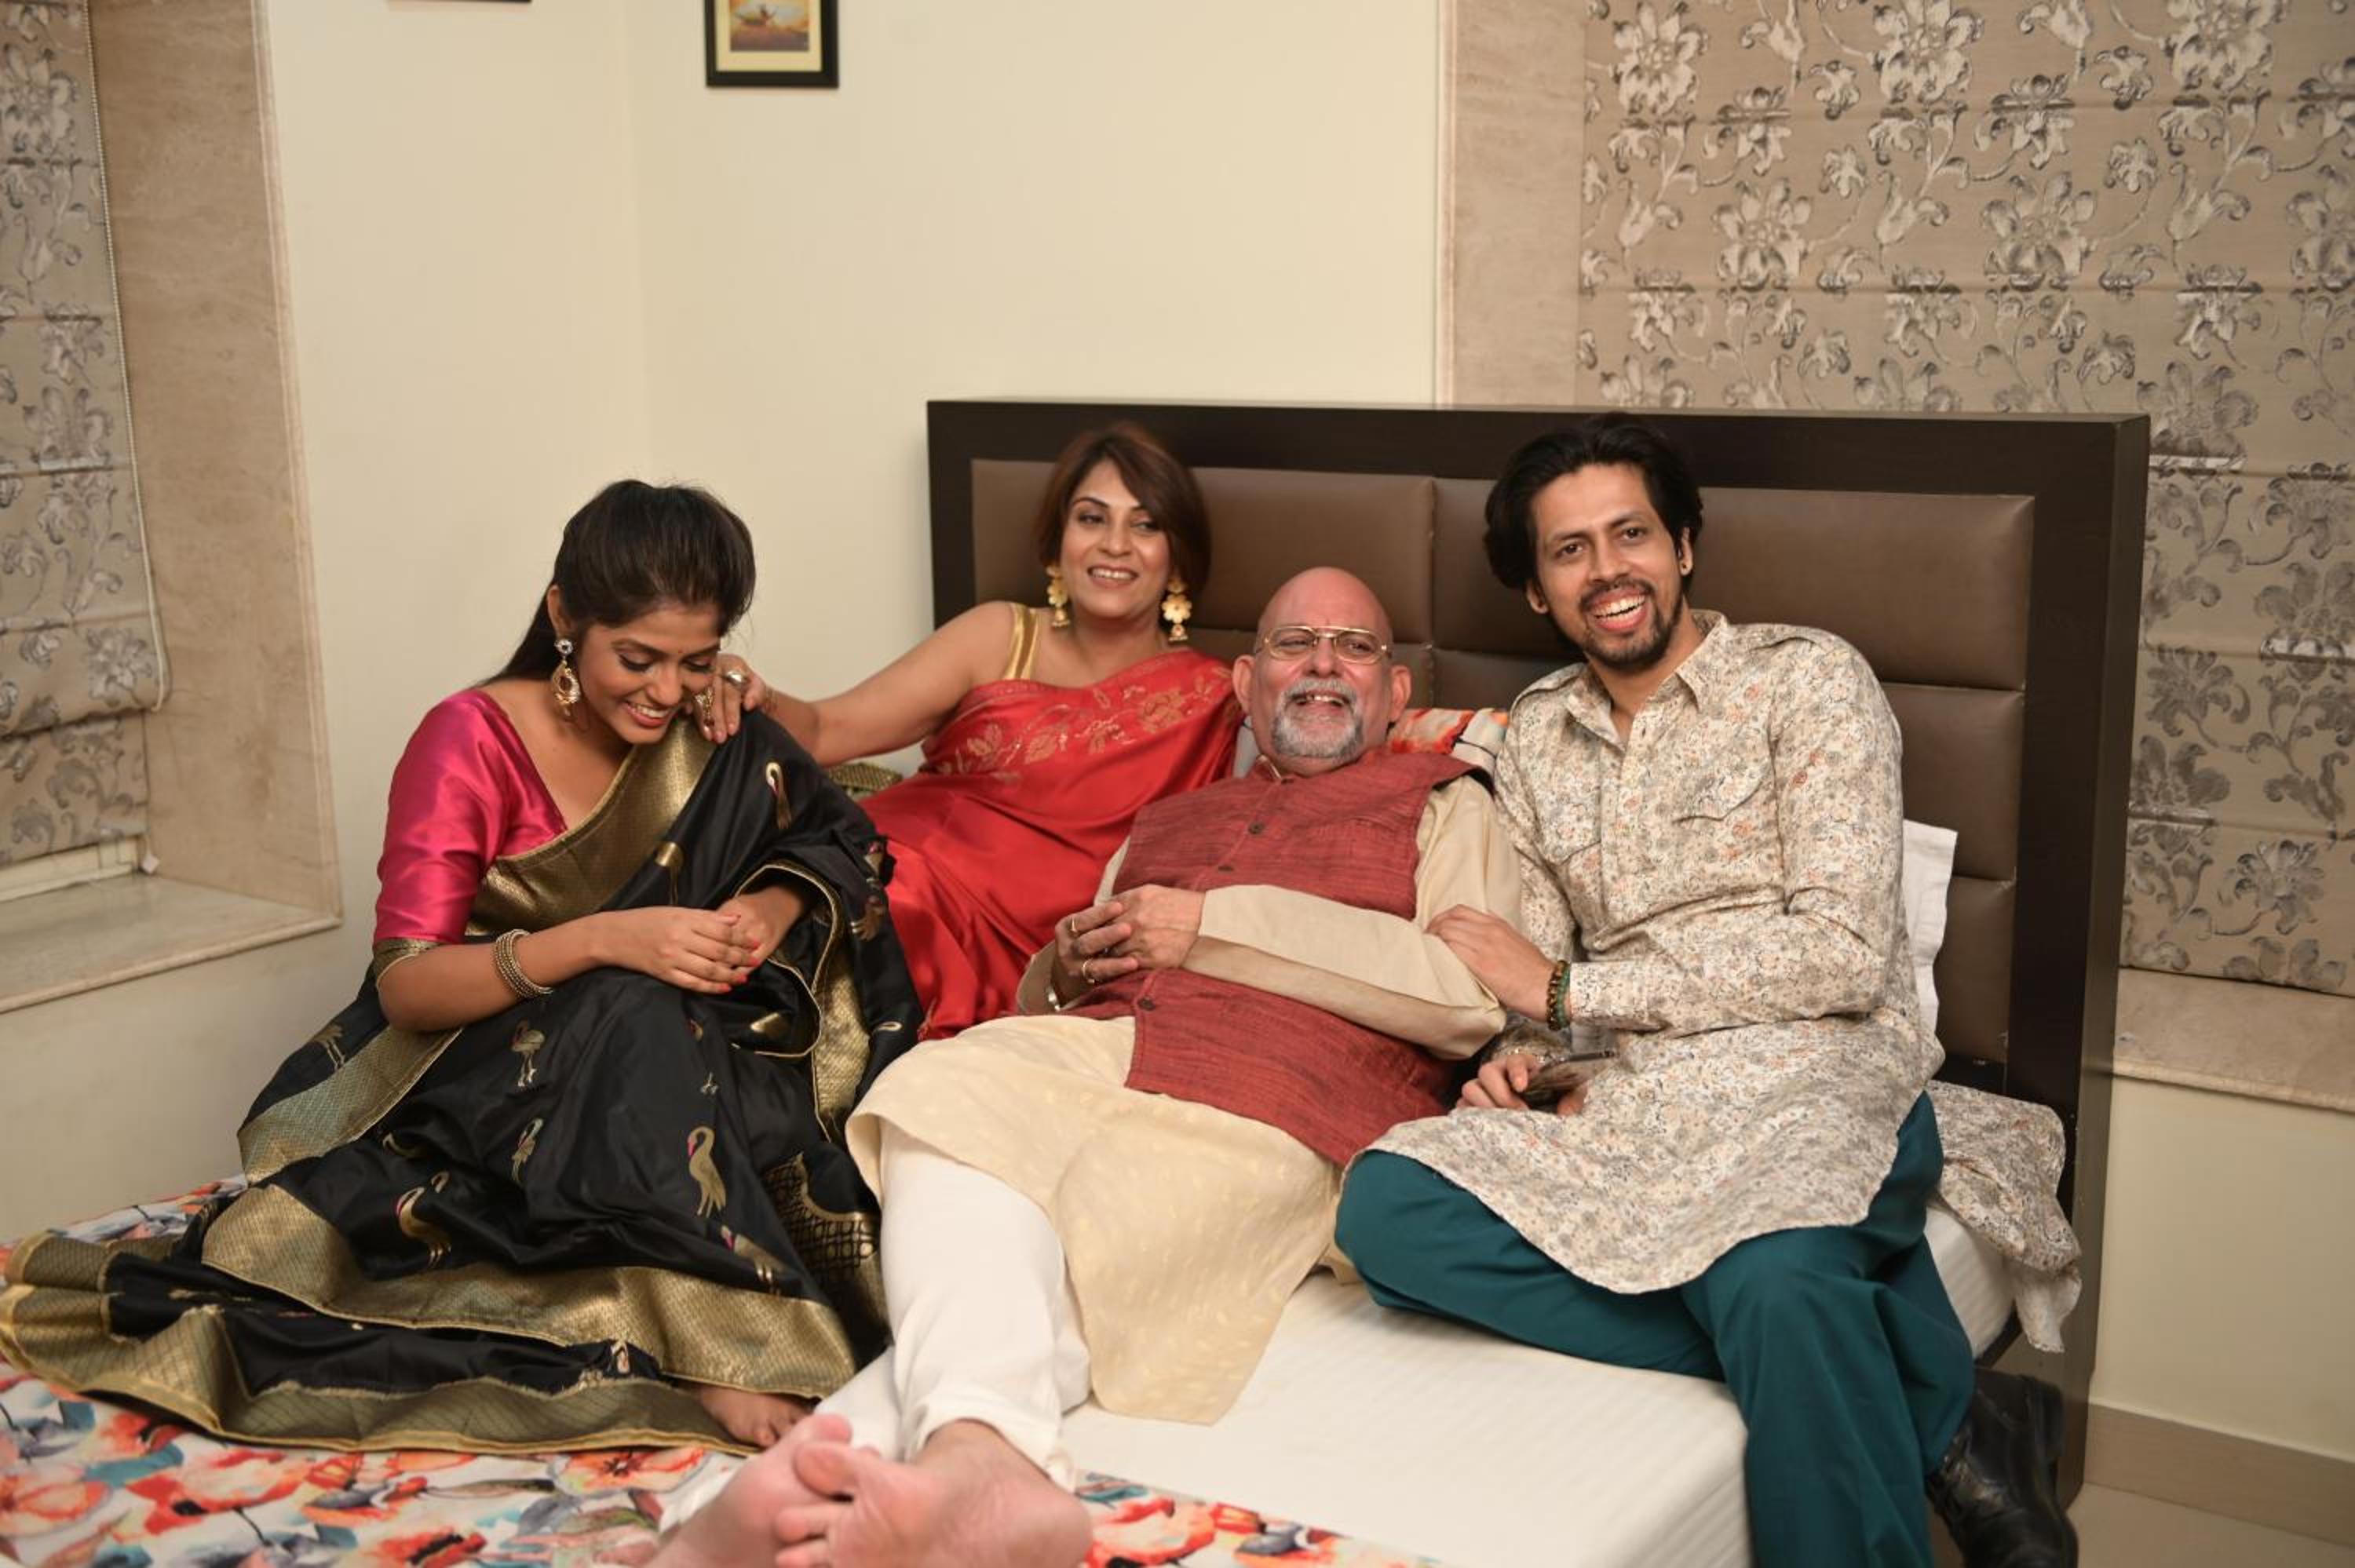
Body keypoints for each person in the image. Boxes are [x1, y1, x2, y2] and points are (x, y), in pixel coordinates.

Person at [0, 480, 921, 1453]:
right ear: (565, 616)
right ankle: (720, 1344)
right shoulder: (470, 742)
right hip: (486, 1068)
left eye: (696, 659)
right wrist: (607, 938)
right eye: (637, 659)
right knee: (627, 1005)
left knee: (724, 1052)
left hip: (674, 1053)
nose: (666, 691)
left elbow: (837, 838)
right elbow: (408, 986)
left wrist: (767, 908)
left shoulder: (715, 722)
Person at [654, 567, 1518, 1568]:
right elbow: (1059, 992)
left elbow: (1466, 993)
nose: (1324, 664)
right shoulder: (1171, 819)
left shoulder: (1446, 806)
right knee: (939, 1092)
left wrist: (1213, 927)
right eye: (1295, 644)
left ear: (1396, 693)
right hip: (1094, 1057)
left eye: (1355, 647)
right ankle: (969, 1467)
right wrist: (1061, 967)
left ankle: (794, 1491)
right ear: (1246, 685)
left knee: (1066, 1244)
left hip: (1278, 1096)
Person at [1331, 417, 2076, 1568]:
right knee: (1387, 1204)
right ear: (1536, 589)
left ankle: (1852, 1383)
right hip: (1635, 1100)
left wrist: (1570, 991)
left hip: (1818, 1075)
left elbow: (1839, 956)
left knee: (1774, 1277)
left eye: (1630, 534)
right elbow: (1539, 972)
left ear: (1682, 545)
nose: (1607, 569)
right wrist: (1530, 1058)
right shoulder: (1536, 737)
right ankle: (1941, 1401)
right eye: (1569, 550)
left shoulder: (1806, 681)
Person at [703, 424, 1240, 1038]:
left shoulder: (1215, 700)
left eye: (1145, 526)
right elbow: (827, 729)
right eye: (1092, 518)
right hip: (895, 872)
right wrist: (750, 692)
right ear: (1058, 542)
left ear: (1177, 557)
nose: (1115, 545)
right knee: (755, 944)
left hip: (1036, 952)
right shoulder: (1001, 636)